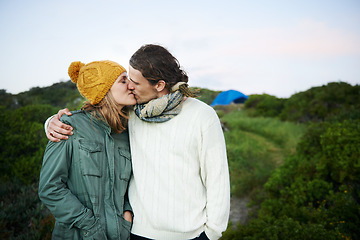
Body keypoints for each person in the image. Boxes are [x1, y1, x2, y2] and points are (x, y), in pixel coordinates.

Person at [46, 44, 230, 240]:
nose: (130, 86)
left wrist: (212, 233)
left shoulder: (202, 115)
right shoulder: (132, 113)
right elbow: (97, 115)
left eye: (134, 81)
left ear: (159, 85)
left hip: (191, 235)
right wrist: (51, 122)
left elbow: (217, 179)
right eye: (126, 80)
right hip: (138, 233)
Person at [39, 60, 136, 240]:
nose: (131, 85)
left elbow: (131, 183)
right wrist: (89, 225)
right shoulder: (69, 125)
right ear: (104, 89)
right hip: (78, 235)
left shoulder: (128, 131)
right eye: (123, 80)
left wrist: (127, 213)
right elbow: (50, 187)